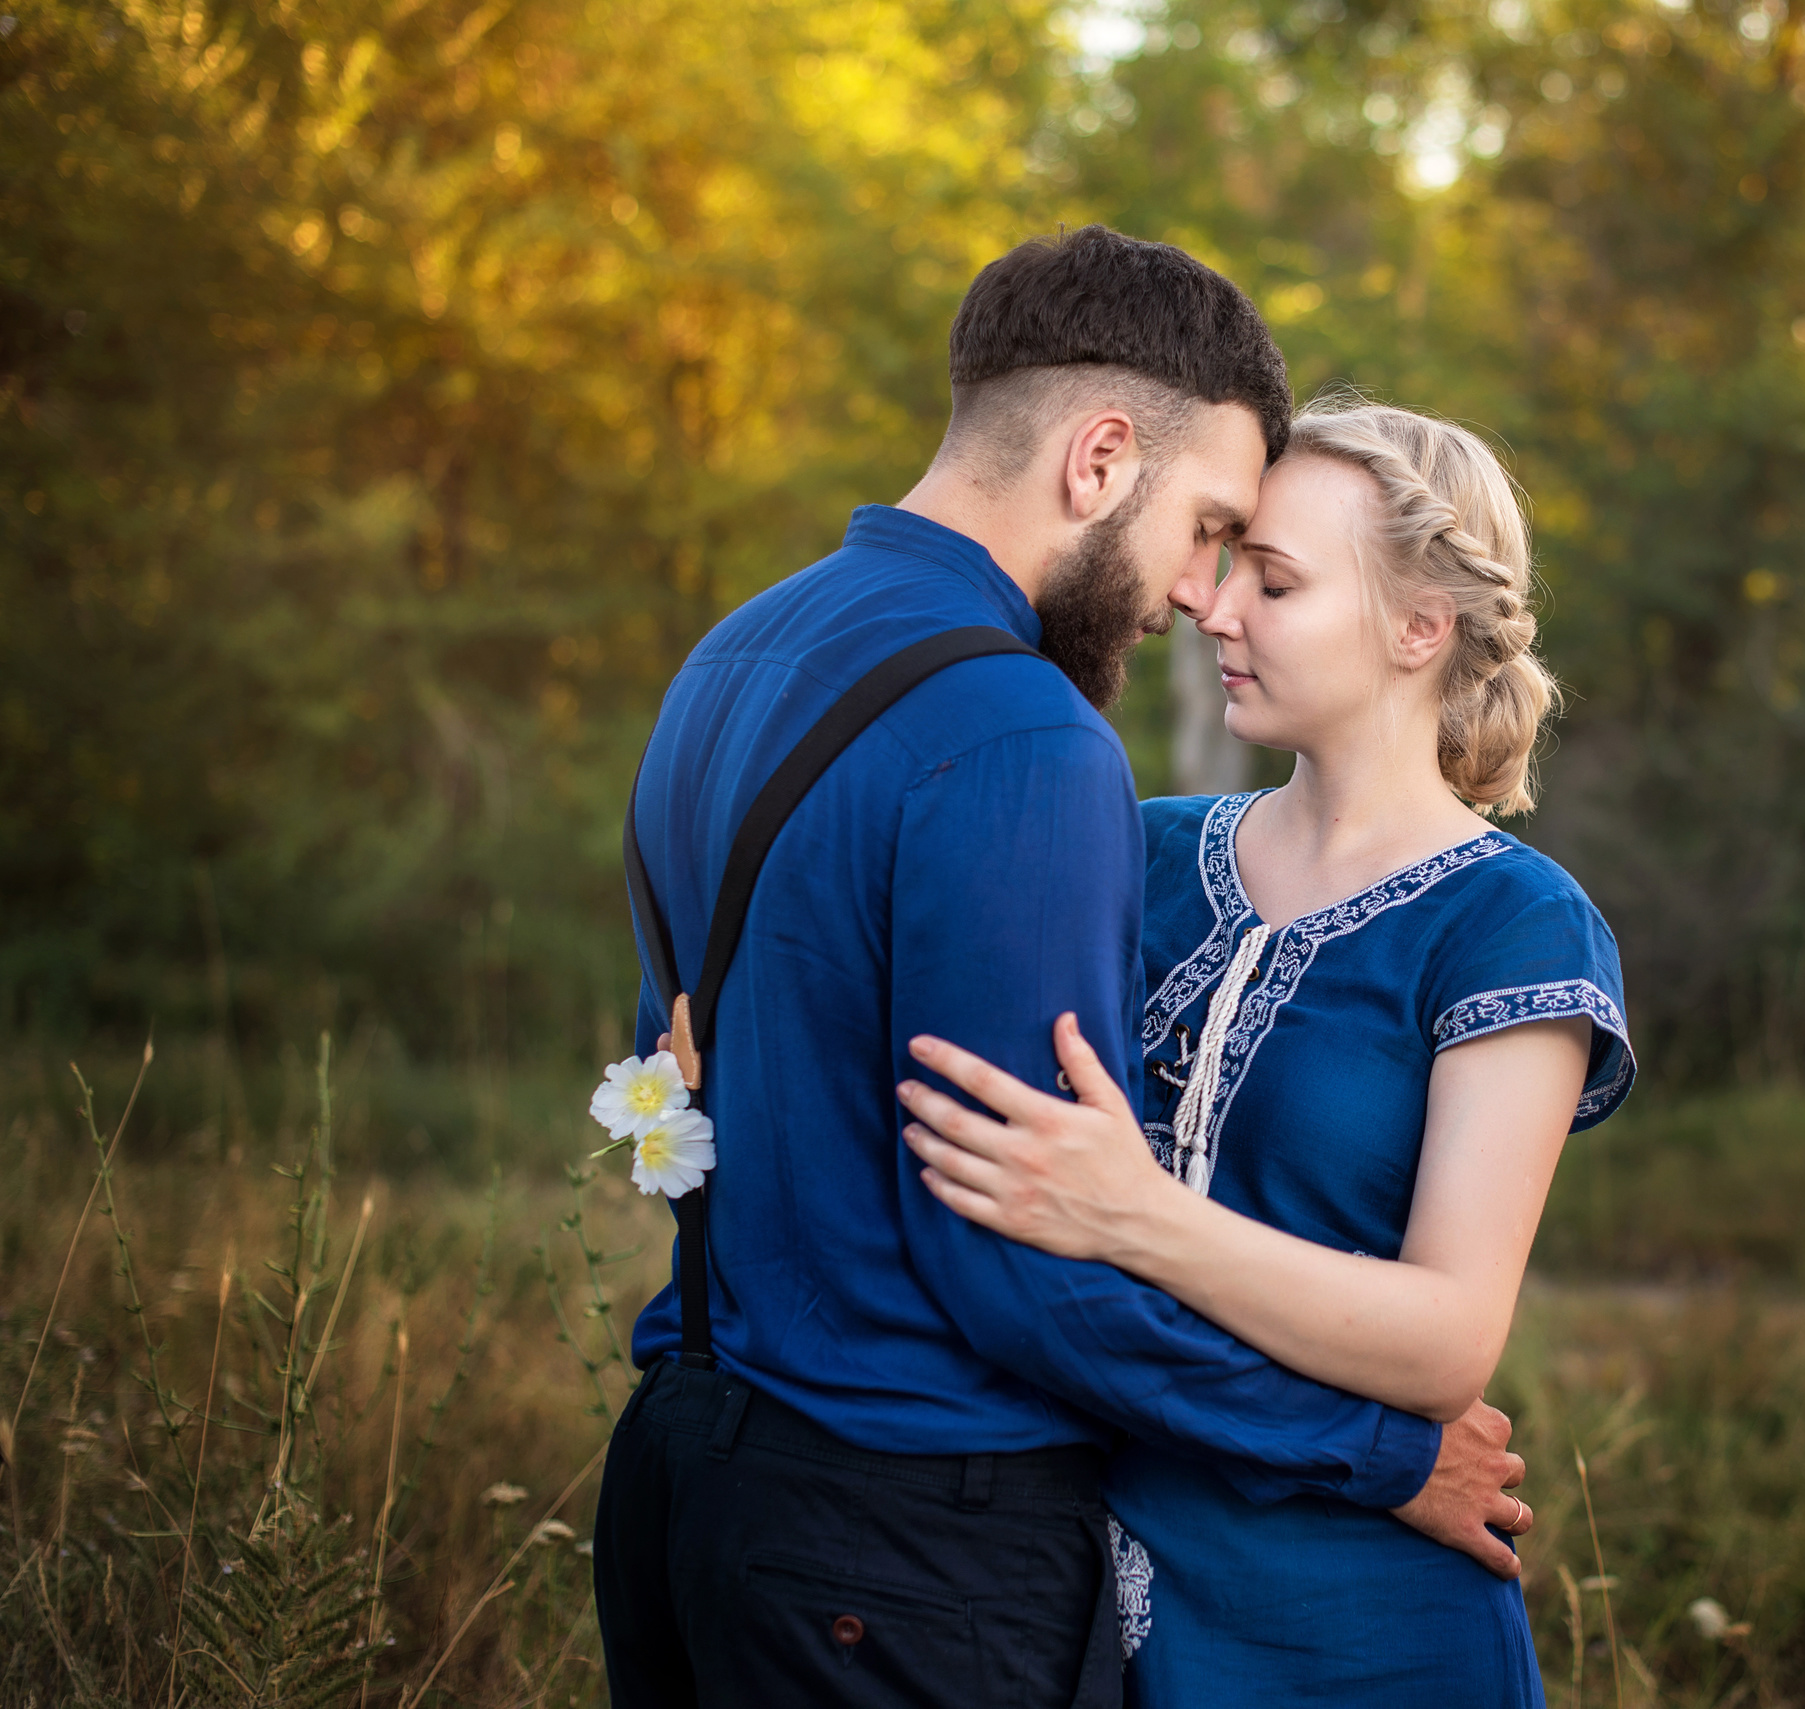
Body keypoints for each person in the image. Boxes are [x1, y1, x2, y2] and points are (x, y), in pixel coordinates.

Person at [590, 230, 1531, 1709]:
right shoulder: (1022, 730)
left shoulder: (734, 654)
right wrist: (1376, 1448)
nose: (1191, 594)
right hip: (901, 1535)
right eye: (1208, 524)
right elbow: (1020, 1265)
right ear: (1100, 459)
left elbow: (671, 1076)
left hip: (682, 1473)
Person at [895, 399, 1635, 1704]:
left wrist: (1131, 1213)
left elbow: (1445, 1341)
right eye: (1230, 561)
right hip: (1074, 1580)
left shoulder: (1514, 924)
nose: (1217, 609)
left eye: (1275, 581)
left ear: (1421, 626)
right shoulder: (1144, 848)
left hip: (1360, 1623)